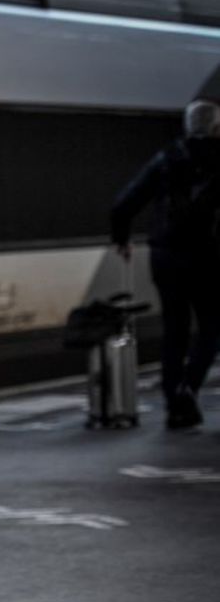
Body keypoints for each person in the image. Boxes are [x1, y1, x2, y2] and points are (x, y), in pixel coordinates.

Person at [111, 99, 220, 429]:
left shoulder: (167, 158)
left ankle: (174, 402)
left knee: (175, 330)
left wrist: (122, 240)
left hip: (166, 257)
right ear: (216, 128)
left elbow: (123, 205)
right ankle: (188, 388)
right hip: (208, 257)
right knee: (212, 328)